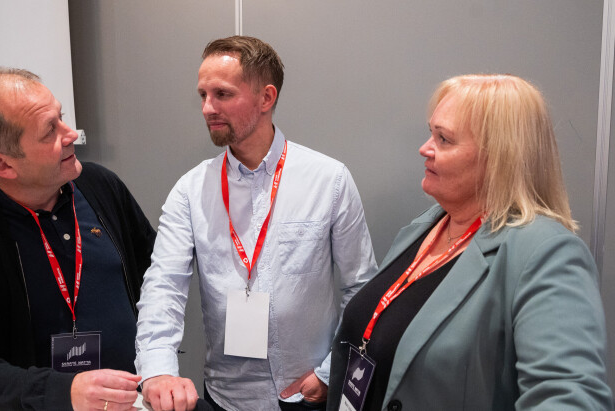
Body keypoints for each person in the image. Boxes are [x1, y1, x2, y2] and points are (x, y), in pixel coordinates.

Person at [327, 74, 613, 410]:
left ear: (499, 158)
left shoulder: (546, 254)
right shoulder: (424, 227)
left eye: (444, 139)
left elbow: (571, 399)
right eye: (431, 133)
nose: (425, 148)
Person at [134, 36, 378, 411]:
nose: (207, 108)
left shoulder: (328, 180)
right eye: (202, 95)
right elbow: (163, 286)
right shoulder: (191, 190)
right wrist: (157, 370)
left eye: (222, 94)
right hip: (226, 397)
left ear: (266, 98)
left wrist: (329, 374)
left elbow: (361, 289)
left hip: (308, 394)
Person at [0, 67, 155, 410]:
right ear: (2, 164)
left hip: (133, 402)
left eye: (62, 118)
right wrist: (61, 392)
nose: (71, 134)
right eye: (50, 131)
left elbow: (158, 281)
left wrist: (159, 364)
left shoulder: (100, 186)